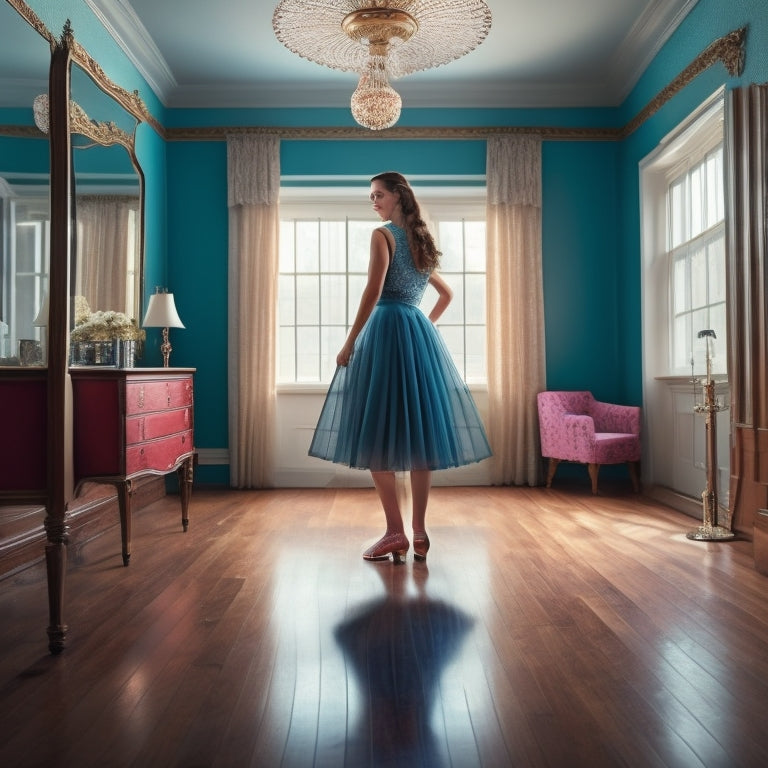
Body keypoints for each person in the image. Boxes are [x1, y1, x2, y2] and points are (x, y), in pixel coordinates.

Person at [308, 171, 492, 563]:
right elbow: (446, 294)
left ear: (397, 196)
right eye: (371, 196)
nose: (372, 202)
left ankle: (395, 532)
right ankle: (420, 531)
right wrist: (423, 325)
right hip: (414, 334)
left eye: (378, 195)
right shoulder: (421, 243)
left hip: (386, 331)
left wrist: (349, 342)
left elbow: (373, 291)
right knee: (420, 439)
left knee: (374, 435)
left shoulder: (384, 235)